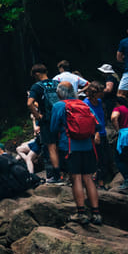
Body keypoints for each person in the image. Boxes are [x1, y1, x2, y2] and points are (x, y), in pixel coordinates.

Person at [50, 82, 102, 224]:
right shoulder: (83, 104)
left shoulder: (59, 106)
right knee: (89, 178)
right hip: (87, 146)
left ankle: (81, 212)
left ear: (59, 93)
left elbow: (53, 128)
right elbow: (97, 124)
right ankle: (96, 213)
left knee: (76, 179)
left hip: (70, 147)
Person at [27, 64, 63, 184]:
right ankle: (67, 173)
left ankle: (56, 176)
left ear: (37, 74)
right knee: (61, 145)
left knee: (51, 147)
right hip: (60, 118)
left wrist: (38, 116)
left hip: (47, 120)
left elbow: (29, 103)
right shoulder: (57, 83)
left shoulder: (37, 87)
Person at [84, 81, 112, 189]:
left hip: (103, 133)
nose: (102, 94)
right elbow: (92, 119)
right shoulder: (86, 103)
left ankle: (100, 180)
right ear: (94, 93)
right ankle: (98, 182)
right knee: (99, 158)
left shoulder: (99, 102)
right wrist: (96, 132)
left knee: (105, 158)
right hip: (94, 134)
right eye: (100, 92)